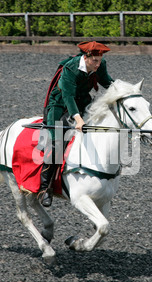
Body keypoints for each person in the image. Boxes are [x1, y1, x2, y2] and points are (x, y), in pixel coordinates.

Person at [38, 41, 114, 207]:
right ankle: (45, 188)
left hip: (83, 101)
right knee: (56, 141)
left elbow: (107, 82)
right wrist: (78, 119)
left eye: (99, 61)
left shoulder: (100, 64)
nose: (98, 64)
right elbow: (68, 97)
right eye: (94, 61)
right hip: (60, 104)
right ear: (85, 57)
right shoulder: (70, 69)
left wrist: (123, 92)